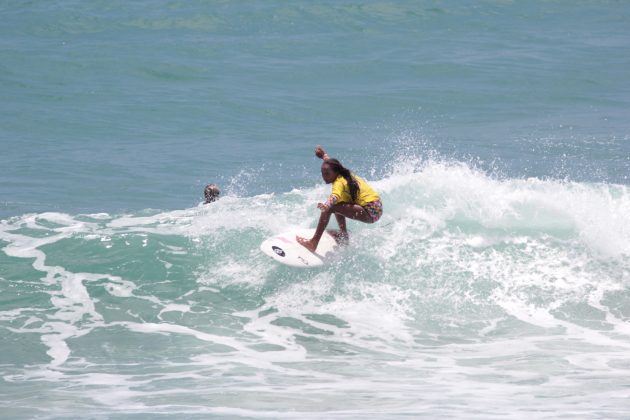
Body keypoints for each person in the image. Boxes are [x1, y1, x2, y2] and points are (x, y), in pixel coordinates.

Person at [297, 145, 382, 252]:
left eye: (327, 174)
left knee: (332, 207)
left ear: (335, 173)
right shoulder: (343, 172)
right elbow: (332, 164)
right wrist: (323, 155)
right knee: (339, 205)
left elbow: (334, 196)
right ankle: (344, 236)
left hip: (370, 211)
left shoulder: (338, 183)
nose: (324, 176)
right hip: (377, 206)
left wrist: (326, 206)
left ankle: (313, 243)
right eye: (322, 173)